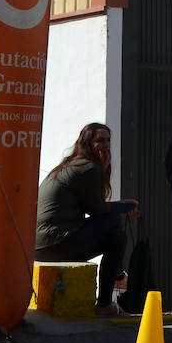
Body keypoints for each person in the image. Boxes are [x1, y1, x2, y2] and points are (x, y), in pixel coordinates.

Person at [34, 123, 138, 316]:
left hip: (41, 245)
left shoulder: (72, 164)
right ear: (87, 143)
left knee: (115, 232)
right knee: (115, 229)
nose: (106, 145)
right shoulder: (88, 167)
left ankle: (114, 283)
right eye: (99, 141)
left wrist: (119, 205)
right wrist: (122, 207)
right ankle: (109, 295)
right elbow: (99, 210)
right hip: (55, 243)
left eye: (108, 140)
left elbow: (95, 207)